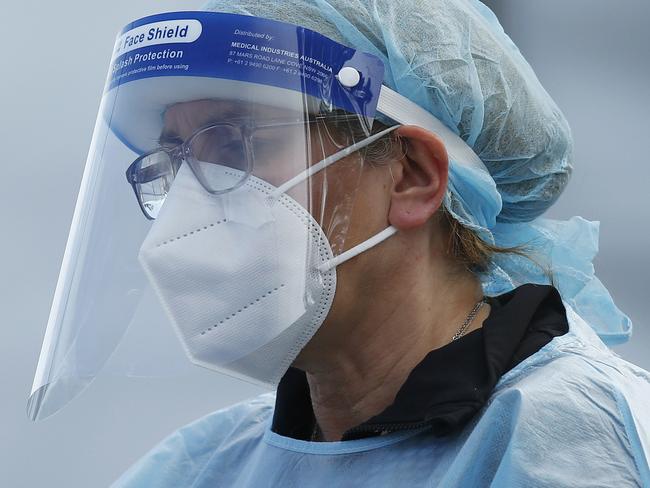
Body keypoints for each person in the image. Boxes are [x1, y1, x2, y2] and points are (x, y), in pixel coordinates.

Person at [28, 1, 649, 487]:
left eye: (236, 146)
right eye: (170, 163)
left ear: (412, 176)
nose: (187, 208)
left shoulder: (574, 442)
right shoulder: (209, 467)